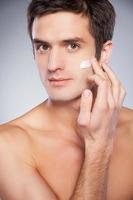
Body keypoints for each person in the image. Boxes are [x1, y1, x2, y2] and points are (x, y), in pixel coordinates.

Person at [0, 0, 133, 199]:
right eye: (43, 47)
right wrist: (98, 148)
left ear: (104, 53)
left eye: (72, 45)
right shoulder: (8, 146)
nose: (53, 65)